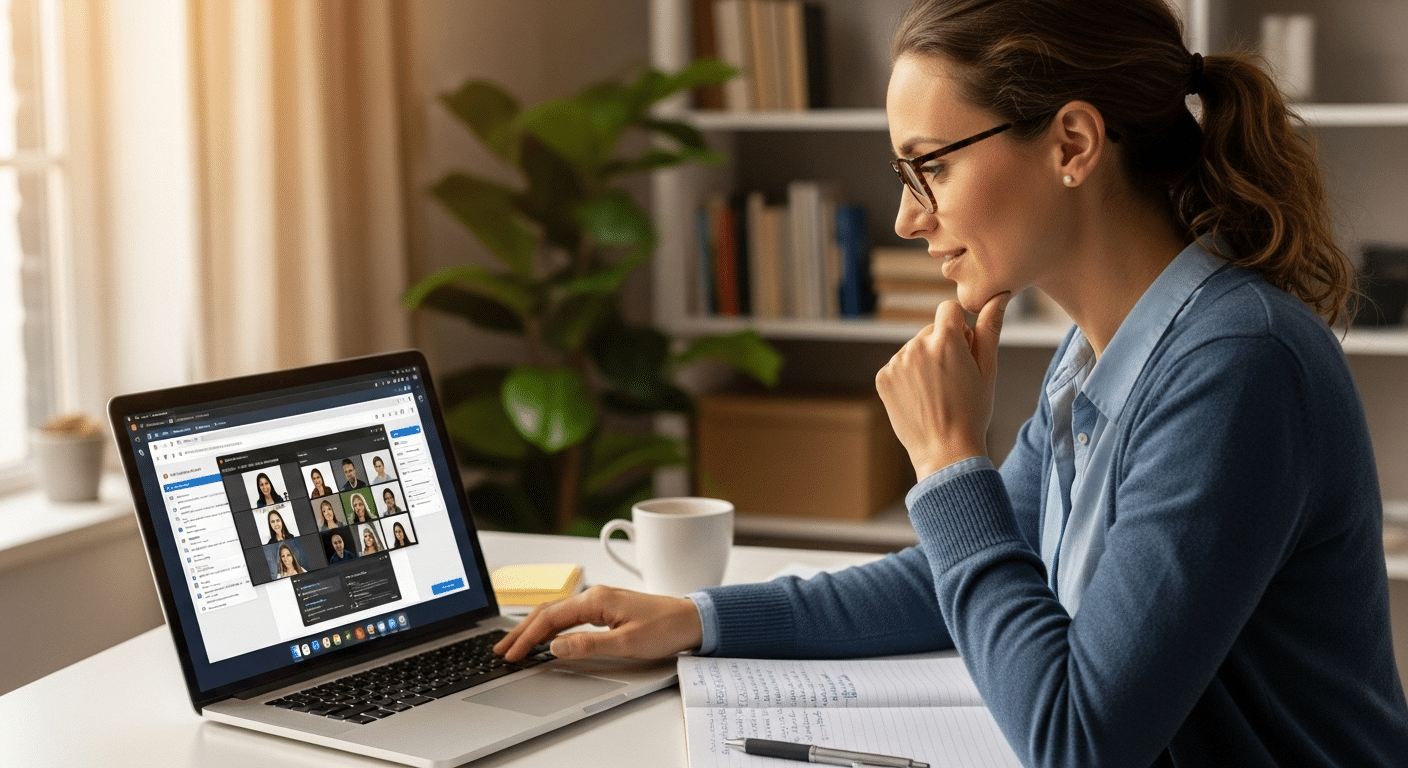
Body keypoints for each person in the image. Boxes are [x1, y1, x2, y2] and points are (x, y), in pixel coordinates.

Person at [494, 1, 1408, 765]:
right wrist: (698, 618)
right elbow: (953, 575)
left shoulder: (1236, 368)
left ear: (1073, 143)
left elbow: (1078, 742)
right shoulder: (1098, 354)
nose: (905, 218)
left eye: (931, 166)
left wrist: (948, 461)